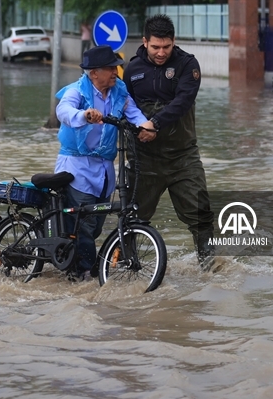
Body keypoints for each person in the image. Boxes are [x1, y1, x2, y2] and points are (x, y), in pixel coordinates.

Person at [55, 45, 156, 281]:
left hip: (104, 171)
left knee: (96, 226)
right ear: (93, 73)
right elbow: (64, 110)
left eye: (116, 67)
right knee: (85, 227)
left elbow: (134, 114)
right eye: (110, 68)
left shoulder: (119, 91)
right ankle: (84, 276)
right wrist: (84, 115)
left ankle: (84, 268)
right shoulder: (77, 91)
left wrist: (147, 126)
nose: (116, 72)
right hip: (76, 168)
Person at [124, 15, 218, 270]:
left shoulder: (188, 65)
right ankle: (128, 267)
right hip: (143, 159)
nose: (161, 52)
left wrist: (154, 123)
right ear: (145, 42)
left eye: (166, 46)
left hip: (183, 158)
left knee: (201, 216)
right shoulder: (132, 70)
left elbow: (183, 102)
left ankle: (212, 270)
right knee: (131, 218)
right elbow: (124, 107)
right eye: (155, 47)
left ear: (174, 41)